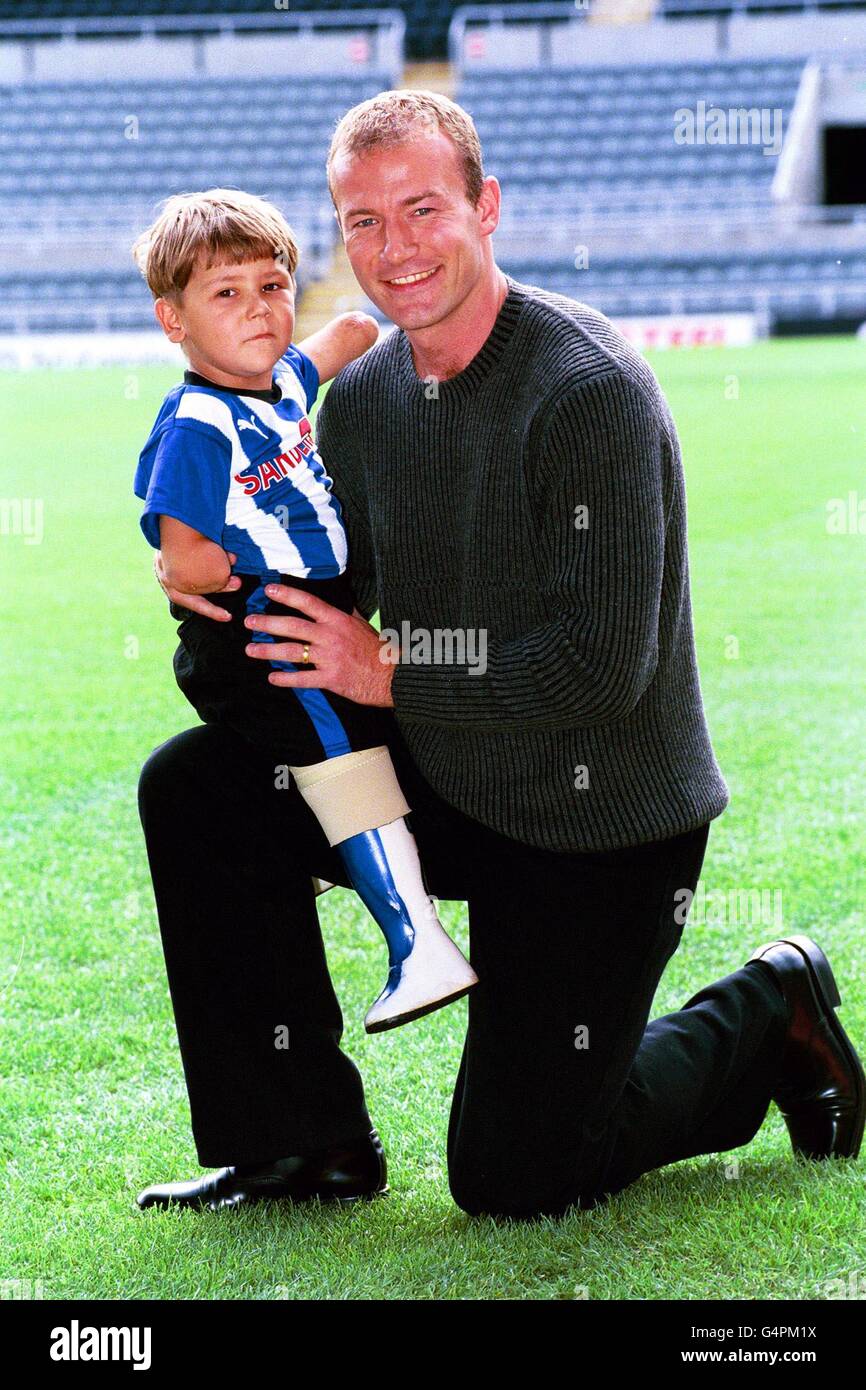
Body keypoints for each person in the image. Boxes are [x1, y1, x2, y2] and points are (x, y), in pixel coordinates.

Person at [135, 92, 864, 1217]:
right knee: (197, 787)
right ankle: (296, 1147)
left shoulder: (585, 391)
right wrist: (214, 577)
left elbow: (595, 667)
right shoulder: (364, 401)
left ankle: (766, 1011)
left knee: (517, 1178)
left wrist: (384, 674)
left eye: (421, 208)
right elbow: (330, 591)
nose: (394, 248)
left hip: (602, 813)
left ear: (485, 207)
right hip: (449, 769)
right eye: (361, 222)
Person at [131, 188, 477, 1036]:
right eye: (226, 294)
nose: (258, 309)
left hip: (302, 606)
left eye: (273, 286)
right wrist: (214, 562)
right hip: (268, 622)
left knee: (323, 761)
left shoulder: (278, 382)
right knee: (345, 768)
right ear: (173, 322)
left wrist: (363, 330)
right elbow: (185, 554)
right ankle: (418, 941)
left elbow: (349, 335)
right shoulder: (199, 423)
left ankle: (317, 852)